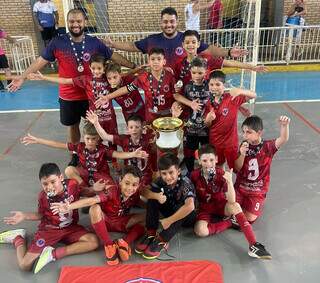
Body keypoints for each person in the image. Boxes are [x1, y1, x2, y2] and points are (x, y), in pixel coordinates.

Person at [8, 9, 136, 161]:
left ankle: (98, 154)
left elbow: (113, 56)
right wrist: (22, 77)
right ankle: (75, 155)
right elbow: (40, 61)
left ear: (85, 22)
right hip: (68, 95)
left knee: (95, 126)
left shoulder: (94, 42)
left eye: (79, 21)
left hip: (91, 96)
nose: (75, 24)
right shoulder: (57, 42)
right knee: (73, 125)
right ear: (67, 23)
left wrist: (132, 65)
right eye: (72, 21)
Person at [0, 163, 99, 273]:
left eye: (53, 182)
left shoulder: (72, 184)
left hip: (71, 228)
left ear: (61, 178)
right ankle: (18, 238)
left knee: (93, 242)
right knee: (25, 266)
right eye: (45, 184)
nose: (49, 187)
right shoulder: (43, 197)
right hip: (50, 230)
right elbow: (41, 215)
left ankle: (52, 254)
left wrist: (93, 189)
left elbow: (83, 191)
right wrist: (24, 216)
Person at [51, 165, 146, 265]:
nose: (130, 188)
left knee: (147, 217)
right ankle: (109, 246)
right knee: (94, 208)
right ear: (120, 181)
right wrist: (68, 206)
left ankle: (124, 243)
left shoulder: (135, 194)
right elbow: (92, 200)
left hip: (121, 221)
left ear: (138, 185)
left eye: (134, 185)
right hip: (105, 221)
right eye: (127, 183)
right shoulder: (112, 190)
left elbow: (142, 201)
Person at [191, 144, 272, 259]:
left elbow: (232, 201)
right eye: (204, 160)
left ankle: (254, 245)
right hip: (205, 209)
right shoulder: (194, 175)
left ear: (217, 159)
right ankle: (230, 222)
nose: (208, 164)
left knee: (236, 206)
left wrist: (229, 181)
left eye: (211, 160)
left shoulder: (222, 175)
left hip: (220, 205)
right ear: (199, 161)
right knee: (200, 231)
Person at [105, 7, 248, 70]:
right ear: (161, 23)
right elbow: (133, 46)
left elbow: (209, 49)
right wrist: (114, 44)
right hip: (161, 84)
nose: (169, 25)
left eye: (172, 21)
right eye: (165, 22)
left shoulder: (187, 40)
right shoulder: (152, 40)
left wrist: (229, 52)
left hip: (184, 85)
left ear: (177, 22)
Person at [20, 122, 149, 190]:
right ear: (83, 137)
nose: (90, 142)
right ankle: (87, 190)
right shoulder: (79, 147)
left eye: (93, 139)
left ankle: (94, 192)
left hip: (101, 176)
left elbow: (118, 154)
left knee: (113, 188)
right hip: (85, 176)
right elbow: (57, 144)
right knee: (69, 170)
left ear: (98, 139)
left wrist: (133, 153)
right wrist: (38, 140)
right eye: (87, 139)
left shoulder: (103, 149)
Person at [173, 30, 265, 118]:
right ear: (183, 45)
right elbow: (176, 90)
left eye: (193, 42)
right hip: (188, 107)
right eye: (187, 42)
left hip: (209, 108)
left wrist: (252, 67)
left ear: (198, 44)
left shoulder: (207, 59)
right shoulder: (178, 64)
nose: (190, 45)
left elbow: (229, 63)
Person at [135, 153, 196, 260]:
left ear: (178, 171)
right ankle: (151, 232)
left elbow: (190, 207)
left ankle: (163, 239)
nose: (168, 177)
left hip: (187, 217)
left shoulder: (185, 183)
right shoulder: (160, 180)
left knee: (183, 207)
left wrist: (169, 220)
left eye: (171, 172)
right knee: (153, 197)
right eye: (164, 173)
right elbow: (143, 191)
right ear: (160, 173)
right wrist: (156, 196)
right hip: (170, 210)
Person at [95, 48, 177, 124]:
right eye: (152, 59)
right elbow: (128, 88)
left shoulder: (170, 76)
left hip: (168, 114)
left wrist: (177, 104)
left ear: (164, 61)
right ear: (149, 61)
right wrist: (108, 97)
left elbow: (177, 94)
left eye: (159, 59)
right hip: (151, 116)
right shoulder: (142, 78)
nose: (155, 62)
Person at [234, 115, 290, 223]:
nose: (245, 136)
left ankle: (254, 203)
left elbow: (283, 139)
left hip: (257, 190)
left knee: (248, 218)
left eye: (249, 132)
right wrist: (241, 154)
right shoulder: (244, 145)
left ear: (259, 133)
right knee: (227, 210)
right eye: (243, 132)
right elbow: (237, 168)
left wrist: (284, 126)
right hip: (240, 187)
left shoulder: (268, 146)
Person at [86, 111, 155, 187]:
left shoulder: (148, 139)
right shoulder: (124, 139)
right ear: (127, 128)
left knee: (142, 192)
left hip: (145, 174)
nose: (134, 130)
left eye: (137, 127)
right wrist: (96, 123)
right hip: (128, 173)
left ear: (142, 127)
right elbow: (105, 136)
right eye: (131, 127)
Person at [204, 70, 256, 169]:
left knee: (235, 167)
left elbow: (253, 95)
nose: (214, 87)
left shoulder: (232, 98)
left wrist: (241, 91)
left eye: (217, 84)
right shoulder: (208, 103)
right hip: (215, 142)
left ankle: (230, 183)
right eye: (211, 84)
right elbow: (207, 125)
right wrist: (208, 120)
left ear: (224, 85)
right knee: (218, 166)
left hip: (230, 142)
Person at [174, 57, 211, 172]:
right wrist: (184, 105)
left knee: (207, 153)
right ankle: (190, 173)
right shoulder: (187, 87)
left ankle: (207, 172)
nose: (197, 75)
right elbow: (178, 97)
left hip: (207, 127)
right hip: (191, 127)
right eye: (194, 72)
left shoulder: (210, 85)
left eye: (200, 73)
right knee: (189, 153)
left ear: (206, 72)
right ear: (190, 72)